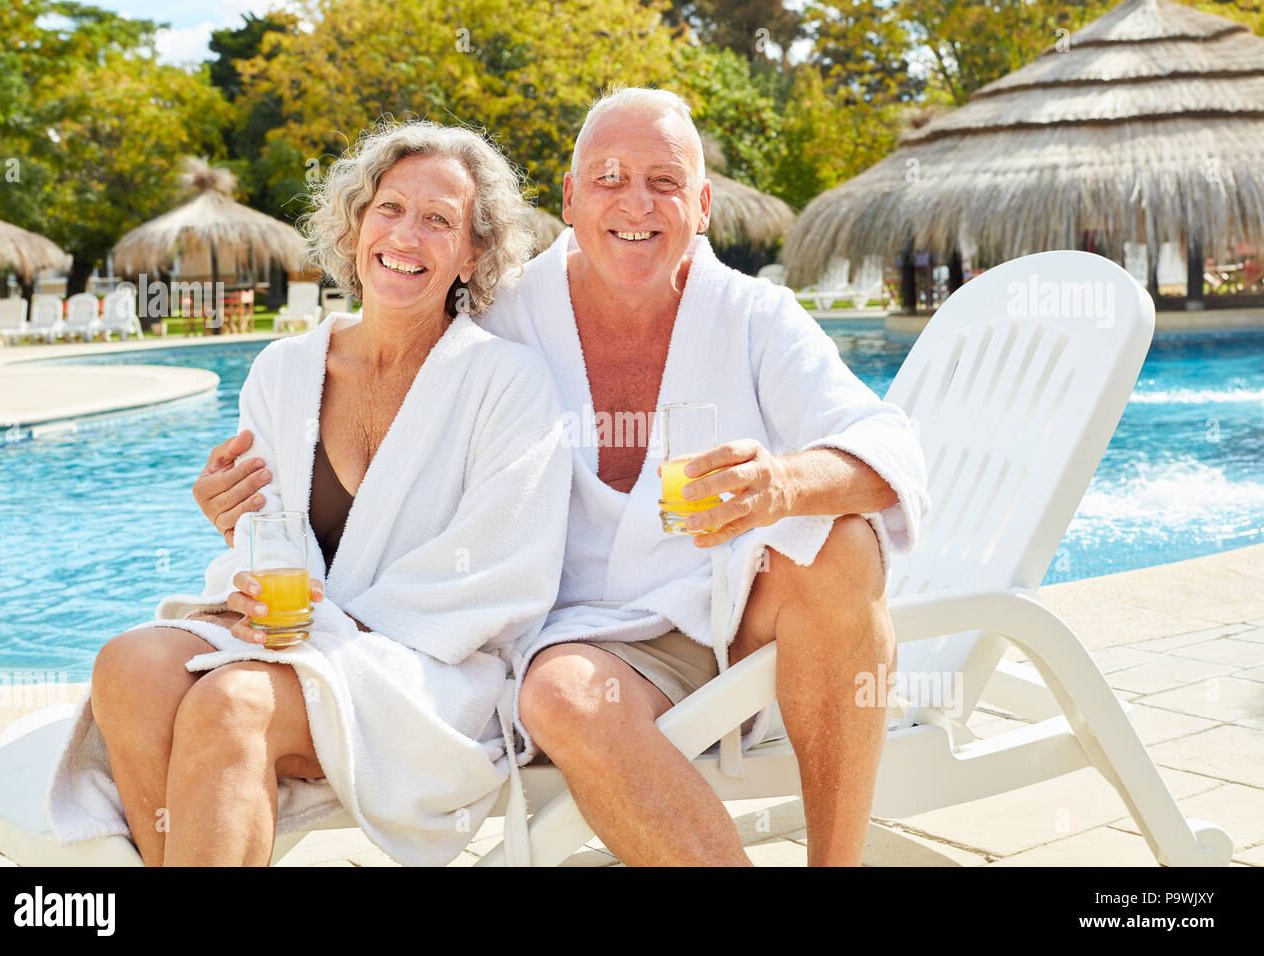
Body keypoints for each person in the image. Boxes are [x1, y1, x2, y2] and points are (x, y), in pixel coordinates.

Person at [195, 88, 931, 866]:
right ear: (571, 198)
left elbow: (891, 448)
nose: (635, 203)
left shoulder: (754, 317)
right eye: (608, 177)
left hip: (733, 612)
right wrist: (256, 513)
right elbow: (386, 463)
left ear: (704, 204)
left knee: (844, 541)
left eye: (665, 180)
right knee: (559, 696)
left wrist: (783, 485)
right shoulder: (501, 317)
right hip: (584, 642)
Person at [45, 120, 572, 867]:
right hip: (294, 638)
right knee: (127, 667)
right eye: (389, 208)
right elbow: (264, 534)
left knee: (233, 705)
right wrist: (248, 567)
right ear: (357, 223)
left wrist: (329, 630)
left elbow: (503, 567)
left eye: (438, 220)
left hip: (427, 671)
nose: (406, 235)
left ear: (473, 253)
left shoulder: (506, 383)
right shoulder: (284, 370)